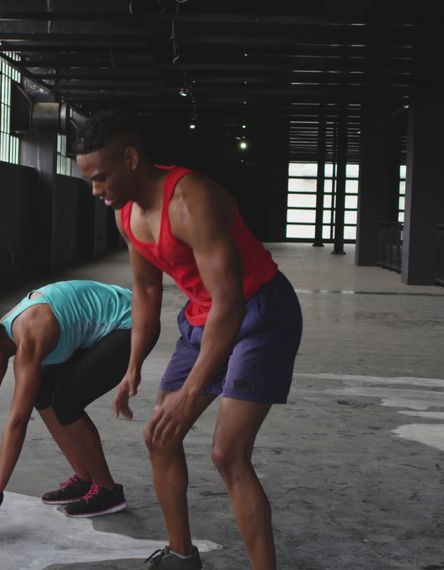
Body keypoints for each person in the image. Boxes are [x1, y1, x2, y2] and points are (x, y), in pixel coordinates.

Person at [74, 110, 303, 570]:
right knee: (161, 437)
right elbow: (146, 289)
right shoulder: (127, 216)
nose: (95, 190)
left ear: (131, 160)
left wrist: (192, 391)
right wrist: (133, 365)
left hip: (259, 312)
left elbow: (231, 302)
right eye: (90, 181)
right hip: (203, 318)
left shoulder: (190, 199)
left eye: (100, 178)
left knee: (228, 453)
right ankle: (181, 556)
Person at [0, 280, 158, 530]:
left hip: (134, 323)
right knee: (43, 392)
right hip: (100, 331)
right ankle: (85, 478)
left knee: (67, 402)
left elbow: (17, 422)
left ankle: (107, 490)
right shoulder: (1, 337)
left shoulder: (29, 336)